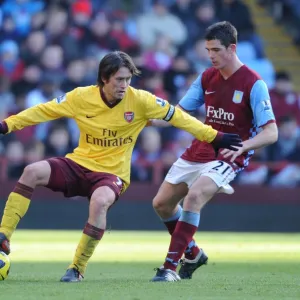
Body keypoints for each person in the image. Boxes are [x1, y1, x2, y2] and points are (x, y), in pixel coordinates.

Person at [0, 51, 242, 282]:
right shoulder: (81, 97)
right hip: (79, 162)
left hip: (112, 173)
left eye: (128, 79)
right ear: (104, 78)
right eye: (119, 79)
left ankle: (76, 268)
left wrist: (214, 136)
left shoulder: (141, 100)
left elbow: (178, 117)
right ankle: (4, 237)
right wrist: (7, 125)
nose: (125, 85)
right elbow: (43, 111)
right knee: (31, 171)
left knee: (100, 201)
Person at [150, 21, 278, 282]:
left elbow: (271, 132)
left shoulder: (254, 84)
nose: (211, 56)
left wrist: (244, 146)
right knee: (161, 204)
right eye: (208, 50)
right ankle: (194, 253)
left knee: (194, 196)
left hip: (231, 152)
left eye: (216, 50)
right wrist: (146, 116)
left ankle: (169, 268)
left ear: (232, 48)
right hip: (202, 146)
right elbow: (180, 112)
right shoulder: (206, 76)